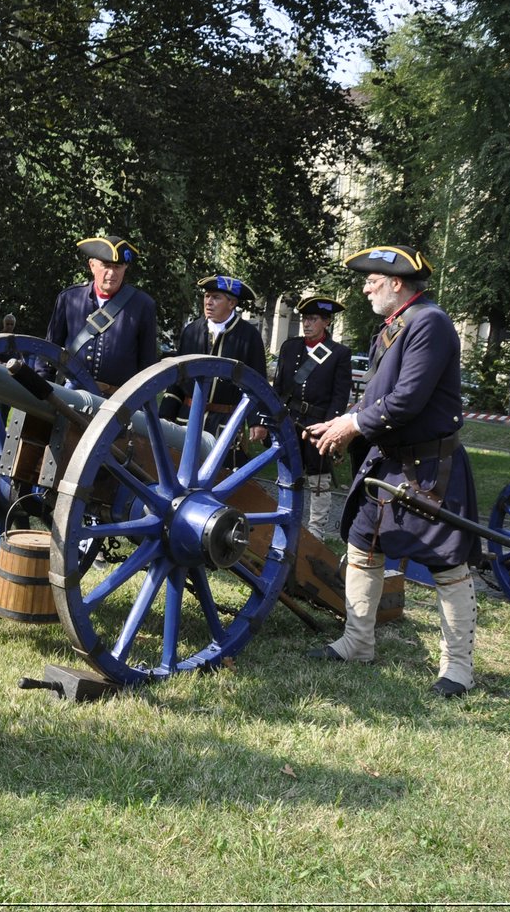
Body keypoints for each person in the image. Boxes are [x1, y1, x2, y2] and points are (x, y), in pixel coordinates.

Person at [303, 245, 480, 698]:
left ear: (397, 282)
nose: (364, 287)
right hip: (389, 461)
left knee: (447, 565)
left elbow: (407, 400)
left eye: (372, 280)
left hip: (429, 467)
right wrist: (345, 421)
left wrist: (351, 424)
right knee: (363, 546)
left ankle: (458, 668)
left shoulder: (430, 323)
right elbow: (377, 397)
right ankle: (358, 642)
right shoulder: (394, 326)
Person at [274, 296, 351, 538]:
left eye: (313, 319)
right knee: (287, 471)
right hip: (289, 419)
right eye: (305, 318)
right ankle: (284, 517)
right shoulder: (290, 347)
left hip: (318, 422)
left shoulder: (339, 353)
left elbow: (339, 397)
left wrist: (329, 428)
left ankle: (316, 529)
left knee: (319, 478)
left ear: (326, 321)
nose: (306, 323)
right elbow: (279, 387)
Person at [162, 275, 269, 444]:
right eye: (207, 296)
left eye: (216, 297)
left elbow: (258, 383)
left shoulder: (249, 336)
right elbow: (177, 377)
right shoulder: (191, 331)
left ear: (232, 303)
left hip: (225, 423)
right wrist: (167, 413)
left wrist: (257, 421)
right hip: (188, 417)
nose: (208, 302)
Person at [44, 235, 159, 392]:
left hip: (115, 401)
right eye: (106, 265)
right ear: (92, 265)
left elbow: (147, 364)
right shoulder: (70, 298)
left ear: (125, 268)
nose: (112, 273)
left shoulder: (143, 305)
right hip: (71, 395)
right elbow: (49, 350)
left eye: (117, 267)